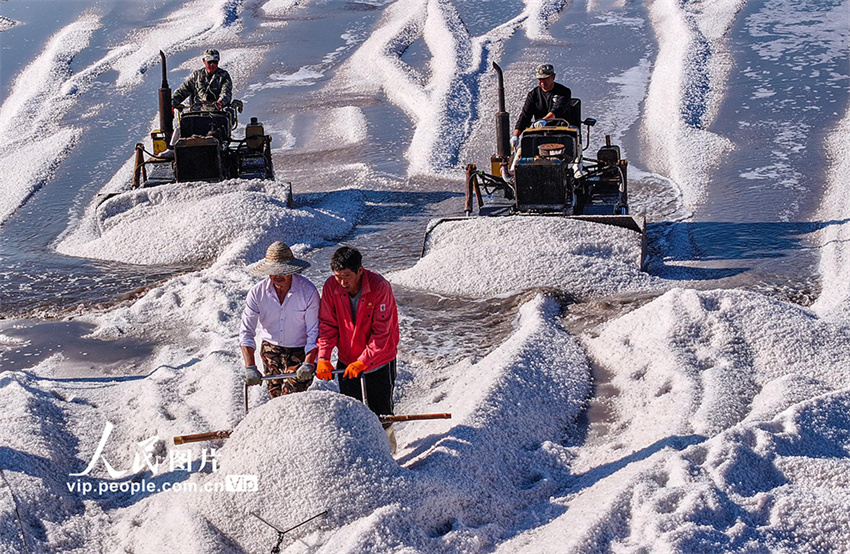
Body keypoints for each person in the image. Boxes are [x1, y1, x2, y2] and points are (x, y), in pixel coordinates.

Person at [315, 246, 400, 451]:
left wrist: (363, 361)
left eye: (347, 276)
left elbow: (382, 333)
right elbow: (327, 324)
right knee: (352, 410)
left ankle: (389, 452)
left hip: (378, 360)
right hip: (347, 358)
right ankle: (359, 452)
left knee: (382, 413)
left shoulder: (380, 287)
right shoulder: (330, 287)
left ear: (360, 271)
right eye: (337, 276)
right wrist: (324, 357)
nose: (342, 282)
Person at [240, 241, 320, 398]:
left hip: (300, 350)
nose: (278, 276)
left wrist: (309, 363)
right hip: (271, 351)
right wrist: (250, 366)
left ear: (291, 271)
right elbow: (246, 332)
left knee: (290, 396)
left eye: (283, 271)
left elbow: (314, 332)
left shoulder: (308, 292)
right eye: (273, 271)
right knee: (275, 399)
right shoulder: (257, 293)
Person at [510, 63, 572, 150]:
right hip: (540, 133)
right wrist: (515, 135)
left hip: (562, 132)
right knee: (523, 148)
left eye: (545, 78)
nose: (542, 82)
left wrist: (544, 121)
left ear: (553, 77)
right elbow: (525, 116)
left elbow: (557, 110)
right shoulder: (533, 94)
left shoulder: (564, 92)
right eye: (540, 79)